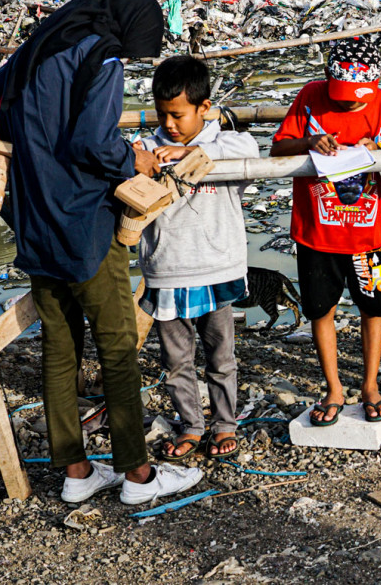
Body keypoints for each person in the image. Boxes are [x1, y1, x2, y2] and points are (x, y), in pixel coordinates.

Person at [0, 0, 202, 504]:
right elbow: (93, 141)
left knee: (59, 347)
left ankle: (75, 472)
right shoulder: (101, 58)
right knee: (117, 349)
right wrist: (131, 160)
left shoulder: (34, 51)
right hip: (86, 224)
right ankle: (137, 475)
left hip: (33, 223)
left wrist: (28, 166)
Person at [270, 37, 381, 427]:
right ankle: (333, 388)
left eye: (358, 99)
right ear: (327, 79)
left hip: (365, 235)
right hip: (316, 233)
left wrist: (379, 146)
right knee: (320, 309)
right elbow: (278, 149)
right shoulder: (310, 97)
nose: (351, 105)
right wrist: (309, 141)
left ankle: (371, 386)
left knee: (373, 308)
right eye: (344, 99)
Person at [135, 56, 258, 462]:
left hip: (216, 266)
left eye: (179, 115)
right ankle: (190, 424)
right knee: (175, 360)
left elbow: (250, 150)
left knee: (221, 356)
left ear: (205, 109)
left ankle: (225, 423)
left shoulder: (225, 143)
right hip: (167, 269)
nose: (170, 124)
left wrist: (189, 150)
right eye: (163, 115)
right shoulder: (148, 149)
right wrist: (145, 159)